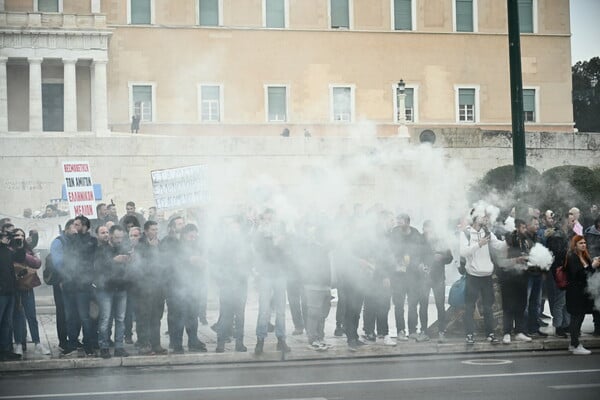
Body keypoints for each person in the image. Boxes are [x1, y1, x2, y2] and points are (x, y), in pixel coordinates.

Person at [459, 209, 505, 345]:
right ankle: (469, 335)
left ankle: (490, 334)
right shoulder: (466, 233)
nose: (485, 218)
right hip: (472, 276)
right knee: (469, 307)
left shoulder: (487, 232)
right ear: (475, 217)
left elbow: (499, 246)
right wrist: (479, 244)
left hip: (487, 275)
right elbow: (463, 252)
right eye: (482, 216)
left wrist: (509, 241)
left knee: (488, 307)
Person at [10, 228, 51, 356]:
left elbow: (37, 263)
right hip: (15, 288)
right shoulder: (9, 250)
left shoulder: (27, 250)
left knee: (32, 316)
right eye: (17, 235)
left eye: (21, 235)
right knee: (17, 317)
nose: (19, 238)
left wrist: (23, 251)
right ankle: (18, 343)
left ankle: (37, 342)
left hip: (27, 287)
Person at [94, 225, 131, 359]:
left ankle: (119, 347)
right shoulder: (101, 249)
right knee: (105, 319)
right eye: (116, 237)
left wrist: (130, 260)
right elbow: (97, 267)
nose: (119, 240)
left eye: (121, 237)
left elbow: (129, 268)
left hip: (121, 288)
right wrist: (113, 261)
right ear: (110, 236)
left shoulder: (124, 248)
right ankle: (104, 346)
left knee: (121, 319)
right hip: (106, 289)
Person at [133, 221, 167, 355]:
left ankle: (156, 344)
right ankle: (144, 344)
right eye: (153, 229)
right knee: (144, 317)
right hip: (144, 287)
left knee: (156, 317)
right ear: (146, 231)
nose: (155, 232)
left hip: (158, 286)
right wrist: (152, 250)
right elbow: (141, 265)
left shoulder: (160, 244)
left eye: (156, 229)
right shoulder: (140, 245)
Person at [498, 219, 533, 344]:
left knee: (521, 305)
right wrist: (515, 260)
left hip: (522, 277)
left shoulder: (525, 242)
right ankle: (507, 333)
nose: (525, 230)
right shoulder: (506, 243)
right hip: (508, 279)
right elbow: (501, 262)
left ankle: (519, 331)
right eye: (523, 228)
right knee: (508, 307)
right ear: (517, 228)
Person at [565, 235, 600, 355]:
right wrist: (592, 266)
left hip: (583, 293)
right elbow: (579, 274)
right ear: (575, 245)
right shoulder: (572, 257)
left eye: (584, 243)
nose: (584, 245)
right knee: (576, 318)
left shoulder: (585, 256)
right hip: (575, 293)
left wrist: (593, 264)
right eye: (580, 243)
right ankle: (575, 344)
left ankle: (574, 344)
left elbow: (588, 273)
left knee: (579, 318)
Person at [421, 220, 453, 343]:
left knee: (440, 305)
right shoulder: (420, 240)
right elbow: (415, 256)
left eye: (430, 228)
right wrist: (420, 265)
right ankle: (423, 331)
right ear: (423, 229)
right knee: (423, 305)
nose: (428, 231)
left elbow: (450, 257)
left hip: (438, 277)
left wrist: (442, 257)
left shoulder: (440, 240)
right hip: (423, 277)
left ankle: (441, 331)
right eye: (426, 228)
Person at [0, 230, 22, 361]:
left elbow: (19, 257)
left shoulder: (7, 251)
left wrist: (19, 245)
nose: (7, 239)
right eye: (5, 237)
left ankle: (5, 349)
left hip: (10, 292)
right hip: (2, 292)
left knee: (7, 323)